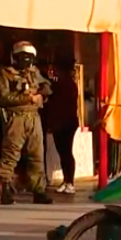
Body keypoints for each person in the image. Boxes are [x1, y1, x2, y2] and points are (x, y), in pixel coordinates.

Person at [0, 41, 53, 205]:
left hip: (34, 117)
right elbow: (4, 97)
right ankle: (6, 188)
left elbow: (47, 86)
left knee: (37, 155)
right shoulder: (5, 74)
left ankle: (38, 190)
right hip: (16, 117)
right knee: (11, 155)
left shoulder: (34, 72)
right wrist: (28, 97)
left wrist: (42, 92)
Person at [41, 61, 80, 194]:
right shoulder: (61, 85)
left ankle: (70, 182)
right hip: (60, 123)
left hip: (66, 123)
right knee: (62, 153)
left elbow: (62, 106)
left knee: (66, 152)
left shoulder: (66, 85)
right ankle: (66, 180)